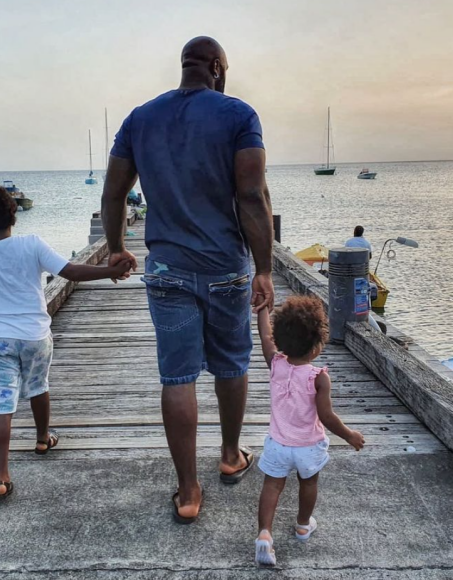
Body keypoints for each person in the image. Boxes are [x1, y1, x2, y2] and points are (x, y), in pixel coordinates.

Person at [101, 36, 274, 524]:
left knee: (177, 377)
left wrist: (117, 248)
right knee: (231, 363)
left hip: (166, 270)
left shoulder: (140, 117)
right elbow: (252, 195)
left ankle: (188, 490)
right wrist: (263, 268)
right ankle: (230, 453)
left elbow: (114, 193)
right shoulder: (239, 116)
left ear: (185, 67)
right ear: (218, 67)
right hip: (225, 268)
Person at [0, 184, 131, 500]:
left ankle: (1, 477)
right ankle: (42, 438)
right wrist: (109, 270)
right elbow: (72, 272)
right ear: (13, 215)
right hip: (35, 334)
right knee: (38, 385)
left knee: (0, 404)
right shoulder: (31, 245)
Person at [254, 297, 365, 566]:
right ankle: (303, 525)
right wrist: (349, 435)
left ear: (281, 340)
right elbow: (326, 416)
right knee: (309, 483)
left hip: (278, 443)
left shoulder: (276, 364)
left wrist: (262, 311)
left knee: (272, 485)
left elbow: (265, 337)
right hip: (308, 446)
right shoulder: (319, 377)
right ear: (316, 347)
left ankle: (264, 535)